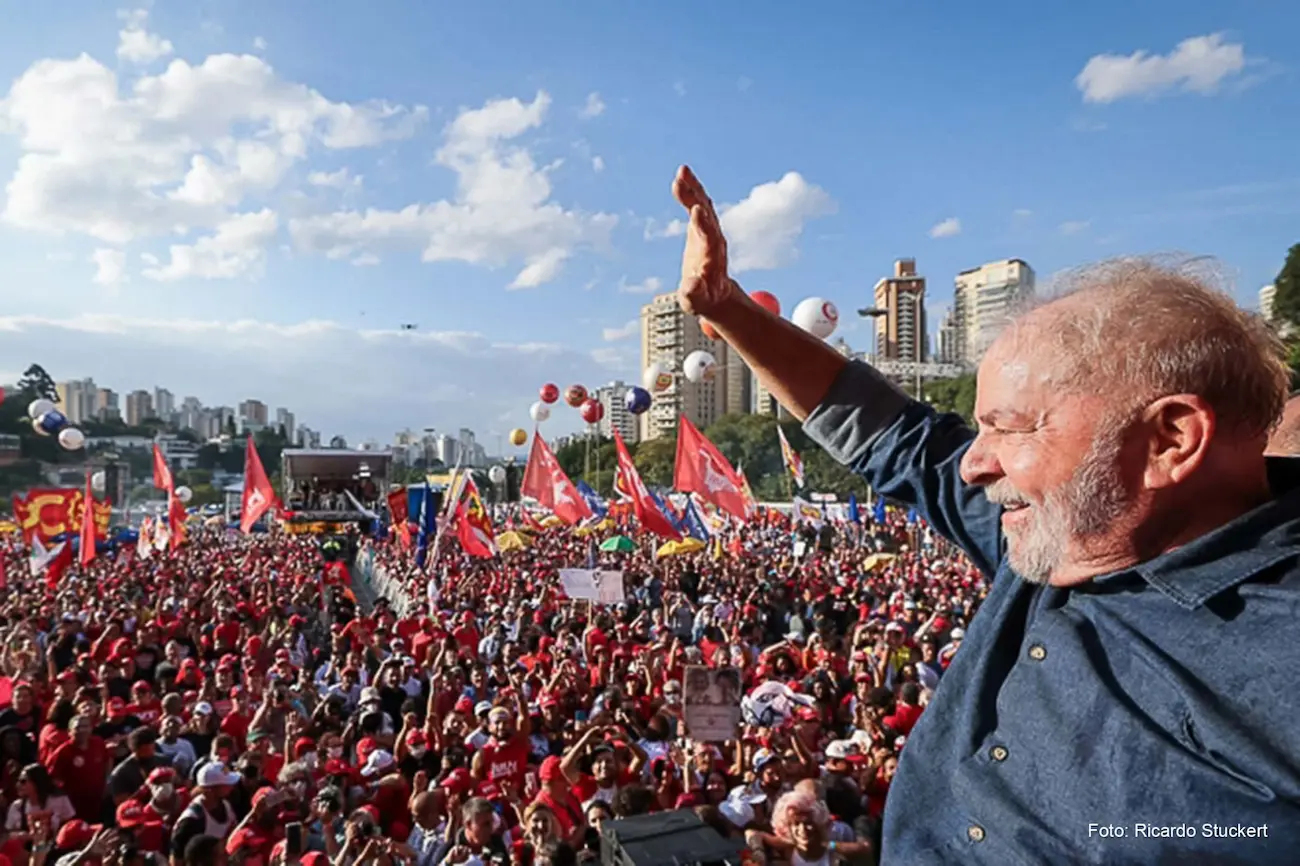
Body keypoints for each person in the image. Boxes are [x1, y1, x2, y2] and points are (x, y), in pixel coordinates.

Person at [670, 165, 1300, 862]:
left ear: (1169, 440)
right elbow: (898, 438)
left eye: (1011, 427)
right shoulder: (1072, 527)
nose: (973, 464)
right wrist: (728, 309)